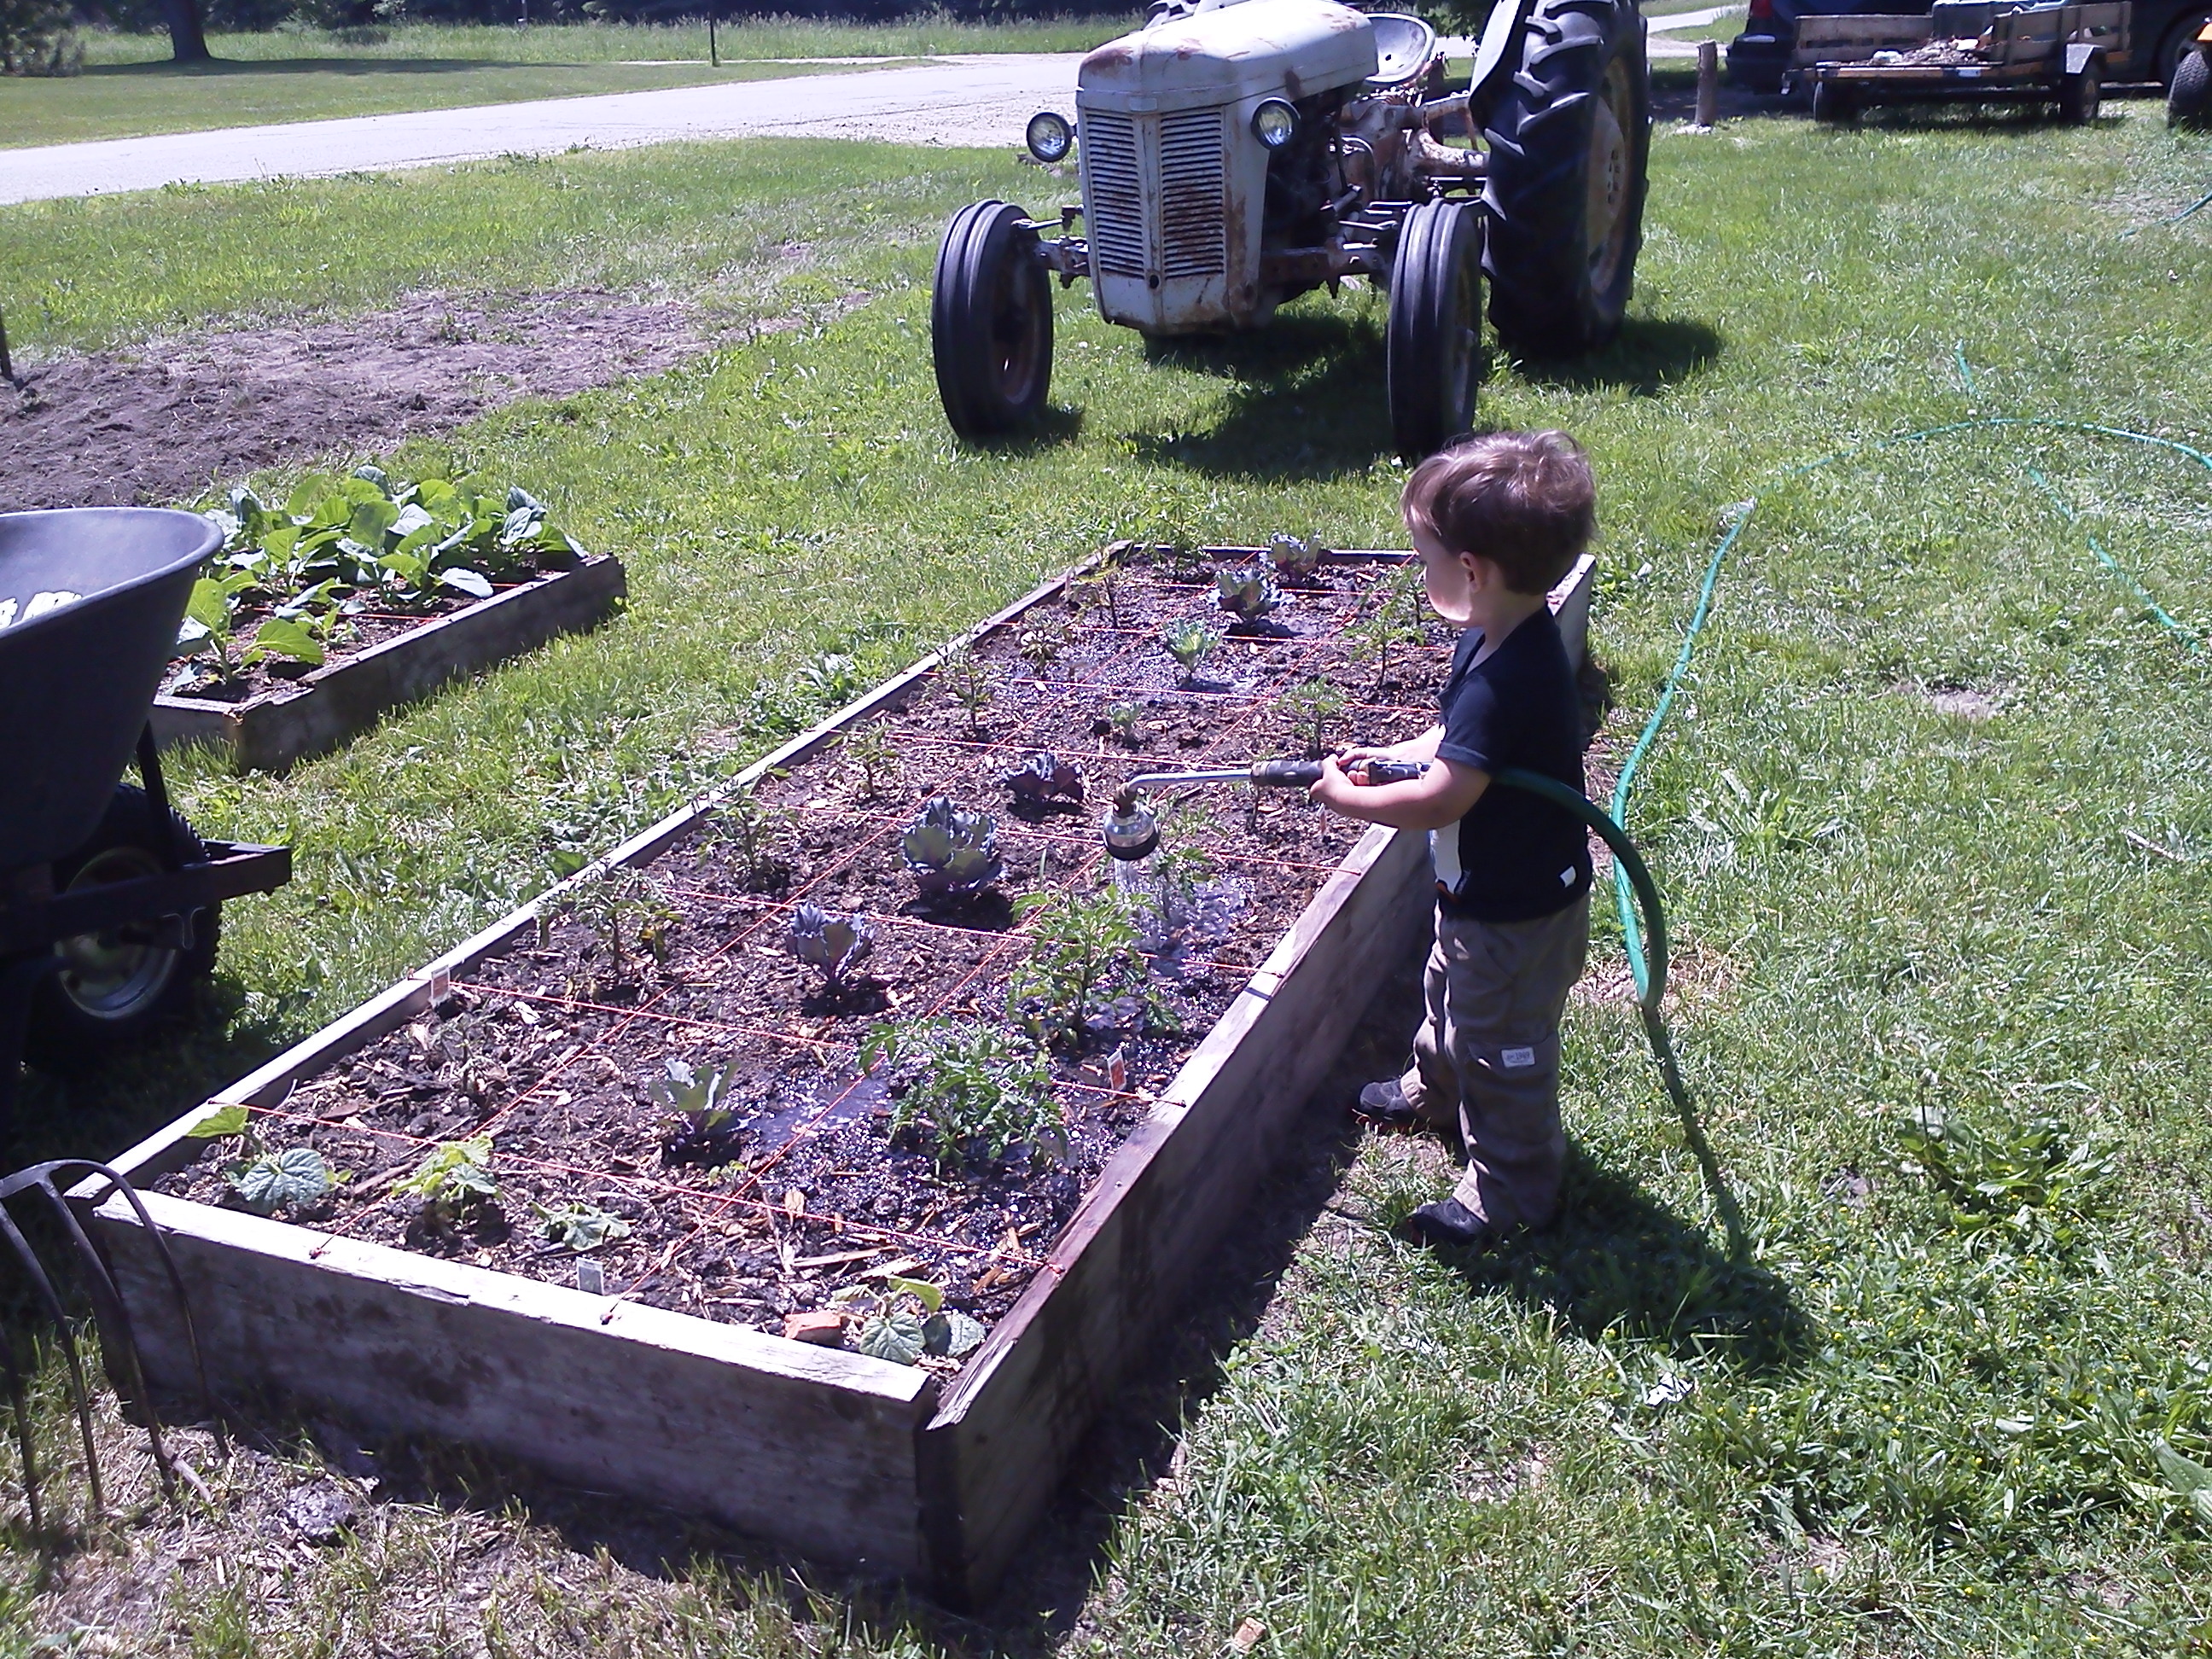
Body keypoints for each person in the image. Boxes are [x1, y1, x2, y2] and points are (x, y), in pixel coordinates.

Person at [1308, 429, 1595, 1249]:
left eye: (1425, 556)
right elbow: (1453, 749)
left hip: (1516, 918)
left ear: (1472, 572)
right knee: (1446, 995)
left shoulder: (1509, 682)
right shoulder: (1502, 635)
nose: (1420, 570)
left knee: (1500, 1047)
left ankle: (1511, 1190)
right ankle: (1436, 1090)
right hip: (1481, 904)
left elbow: (1446, 797)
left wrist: (1349, 799)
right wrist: (1396, 756)